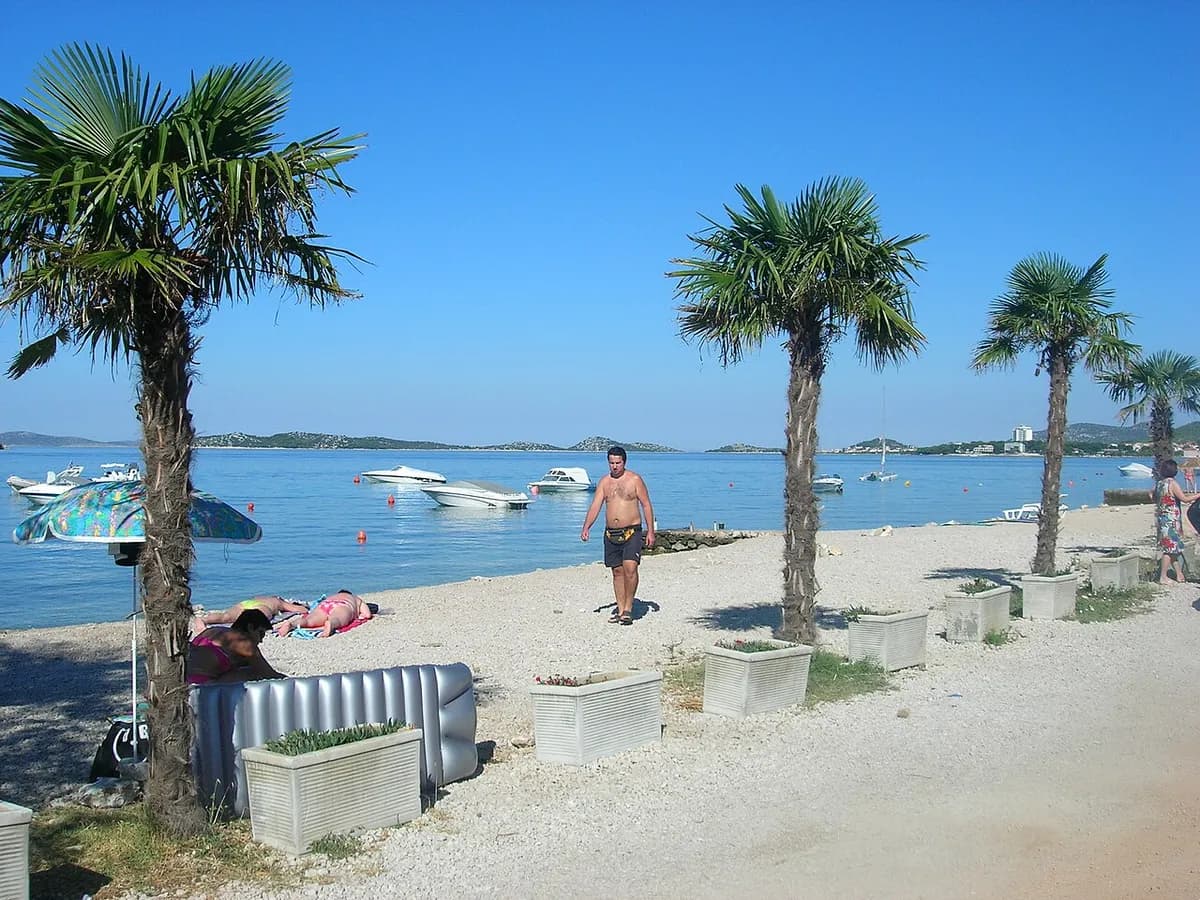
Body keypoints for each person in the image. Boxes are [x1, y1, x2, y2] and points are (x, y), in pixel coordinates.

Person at [580, 446, 655, 625]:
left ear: (624, 462)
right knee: (617, 572)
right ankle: (621, 610)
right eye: (611, 463)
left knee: (630, 568)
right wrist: (586, 527)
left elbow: (646, 505)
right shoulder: (604, 482)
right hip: (611, 533)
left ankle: (628, 608)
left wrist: (650, 531)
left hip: (632, 531)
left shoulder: (635, 480)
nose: (614, 466)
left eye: (618, 463)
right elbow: (596, 506)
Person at [187, 609, 286, 685]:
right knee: (252, 672)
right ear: (251, 627)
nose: (260, 640)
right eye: (260, 633)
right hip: (201, 685)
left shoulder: (214, 631)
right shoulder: (243, 642)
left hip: (183, 680)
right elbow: (269, 675)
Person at [1153, 459, 1198, 585]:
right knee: (1169, 548)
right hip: (1172, 520)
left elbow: (1152, 496)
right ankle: (1163, 576)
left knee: (1174, 547)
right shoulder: (1172, 483)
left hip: (1163, 518)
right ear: (1175, 471)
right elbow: (1184, 499)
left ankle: (1179, 574)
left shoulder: (1159, 483)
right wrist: (1198, 495)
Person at [274, 589, 373, 637]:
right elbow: (367, 615)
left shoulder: (333, 596)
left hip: (325, 604)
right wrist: (359, 614)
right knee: (337, 619)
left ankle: (292, 624)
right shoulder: (355, 598)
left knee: (308, 621)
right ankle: (331, 623)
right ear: (350, 594)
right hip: (342, 605)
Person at [192, 595, 309, 633]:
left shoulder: (263, 597)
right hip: (261, 607)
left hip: (246, 603)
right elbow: (300, 610)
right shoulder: (279, 602)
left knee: (225, 616)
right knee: (259, 617)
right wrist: (302, 607)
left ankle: (203, 620)